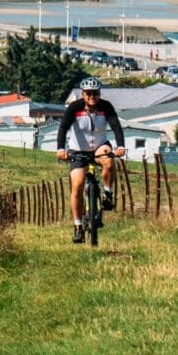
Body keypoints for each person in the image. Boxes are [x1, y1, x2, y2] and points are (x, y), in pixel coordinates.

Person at [55, 77, 126, 244]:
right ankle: (78, 226)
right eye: (89, 93)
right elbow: (63, 127)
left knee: (109, 161)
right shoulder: (75, 107)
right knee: (78, 185)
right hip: (78, 150)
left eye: (96, 93)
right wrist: (60, 149)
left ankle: (107, 193)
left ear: (99, 93)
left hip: (99, 146)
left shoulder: (106, 106)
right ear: (83, 94)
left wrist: (121, 146)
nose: (92, 96)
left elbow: (116, 126)